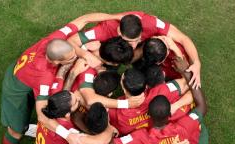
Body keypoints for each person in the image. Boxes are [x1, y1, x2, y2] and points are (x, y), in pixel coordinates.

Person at [0, 13, 120, 144]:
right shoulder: (44, 77)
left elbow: (84, 19)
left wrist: (117, 16)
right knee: (16, 130)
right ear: (55, 61)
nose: (76, 58)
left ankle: (25, 128)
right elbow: (43, 115)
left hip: (26, 73)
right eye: (71, 58)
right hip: (17, 89)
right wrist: (67, 135)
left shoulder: (55, 39)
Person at [68, 11, 202, 88]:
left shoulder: (151, 23)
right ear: (119, 33)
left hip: (146, 53)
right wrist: (85, 53)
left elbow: (184, 39)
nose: (133, 45)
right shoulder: (104, 29)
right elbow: (71, 41)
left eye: (137, 39)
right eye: (129, 41)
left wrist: (197, 63)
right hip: (111, 53)